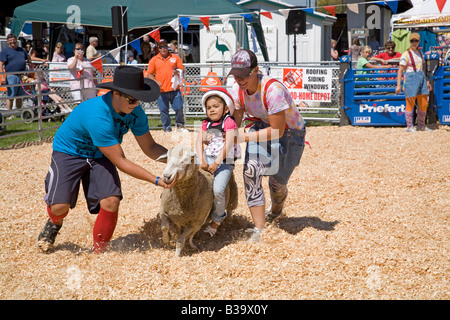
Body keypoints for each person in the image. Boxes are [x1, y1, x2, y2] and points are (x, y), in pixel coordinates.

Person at [37, 66, 176, 254]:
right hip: (70, 152)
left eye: (139, 99)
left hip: (100, 155)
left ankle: (99, 253)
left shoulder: (135, 112)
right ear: (117, 94)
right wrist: (157, 180)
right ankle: (54, 223)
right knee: (59, 207)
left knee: (111, 200)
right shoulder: (97, 115)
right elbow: (120, 161)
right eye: (132, 99)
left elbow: (150, 147)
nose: (136, 104)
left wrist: (179, 161)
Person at [228, 49, 307, 242]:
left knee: (277, 182)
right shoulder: (238, 88)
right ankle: (260, 229)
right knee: (251, 170)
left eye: (243, 75)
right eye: (236, 75)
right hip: (260, 128)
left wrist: (242, 138)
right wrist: (225, 135)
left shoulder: (273, 90)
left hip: (289, 134)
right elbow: (236, 119)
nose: (239, 79)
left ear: (255, 70)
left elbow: (277, 131)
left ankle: (277, 205)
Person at [195, 88, 240, 237]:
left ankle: (217, 220)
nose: (212, 110)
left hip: (224, 160)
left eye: (216, 106)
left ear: (226, 108)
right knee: (189, 178)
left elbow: (228, 145)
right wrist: (202, 160)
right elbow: (198, 142)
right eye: (209, 108)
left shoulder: (229, 122)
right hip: (208, 156)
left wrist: (216, 163)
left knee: (218, 190)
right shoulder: (206, 123)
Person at [147, 39, 188, 133]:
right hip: (161, 90)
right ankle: (166, 128)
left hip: (174, 89)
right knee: (163, 111)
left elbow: (182, 69)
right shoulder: (154, 60)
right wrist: (155, 81)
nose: (163, 48)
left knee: (178, 108)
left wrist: (177, 72)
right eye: (161, 47)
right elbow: (149, 74)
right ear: (158, 48)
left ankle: (180, 126)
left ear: (168, 47)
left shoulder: (175, 57)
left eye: (165, 46)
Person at [395, 33, 432, 132]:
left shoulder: (420, 53)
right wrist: (398, 85)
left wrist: (427, 81)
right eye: (412, 41)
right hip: (410, 77)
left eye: (416, 41)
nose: (414, 43)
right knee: (410, 102)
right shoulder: (406, 54)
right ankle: (409, 126)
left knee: (424, 102)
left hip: (421, 77)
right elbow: (400, 70)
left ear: (419, 41)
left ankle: (421, 125)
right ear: (410, 42)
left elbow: (423, 69)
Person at [0, 33, 29, 111]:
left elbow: (28, 59)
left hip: (22, 75)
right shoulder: (5, 51)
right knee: (11, 95)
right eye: (10, 40)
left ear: (16, 40)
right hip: (11, 75)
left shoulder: (21, 50)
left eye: (14, 40)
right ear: (8, 42)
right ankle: (9, 112)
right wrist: (2, 76)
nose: (12, 42)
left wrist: (42, 60)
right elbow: (1, 63)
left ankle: (18, 112)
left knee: (20, 95)